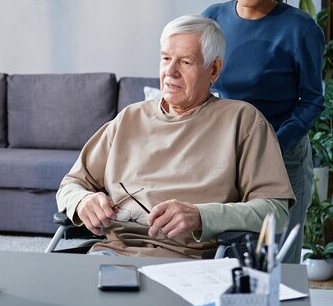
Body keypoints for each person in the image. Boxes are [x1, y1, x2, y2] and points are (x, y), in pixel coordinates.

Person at [55, 14, 295, 259]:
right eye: (166, 59)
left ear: (214, 69)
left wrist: (201, 216)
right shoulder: (129, 118)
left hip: (189, 262)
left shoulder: (244, 121)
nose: (170, 71)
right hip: (112, 254)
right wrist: (82, 200)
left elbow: (274, 210)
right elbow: (70, 185)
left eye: (185, 62)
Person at [202, 0, 324, 264]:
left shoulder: (300, 28)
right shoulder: (212, 19)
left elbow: (313, 99)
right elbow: (200, 85)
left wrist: (274, 144)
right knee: (229, 255)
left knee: (276, 259)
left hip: (282, 156)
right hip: (228, 153)